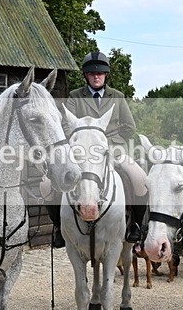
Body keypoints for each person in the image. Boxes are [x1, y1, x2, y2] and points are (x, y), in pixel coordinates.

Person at [46, 51, 148, 247]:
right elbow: (66, 125)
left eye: (100, 73)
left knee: (139, 178)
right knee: (46, 184)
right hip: (81, 152)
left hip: (113, 149)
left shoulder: (117, 96)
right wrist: (82, 141)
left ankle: (135, 224)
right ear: (86, 75)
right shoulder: (75, 96)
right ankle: (59, 227)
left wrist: (106, 143)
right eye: (92, 74)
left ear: (106, 74)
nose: (96, 77)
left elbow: (129, 127)